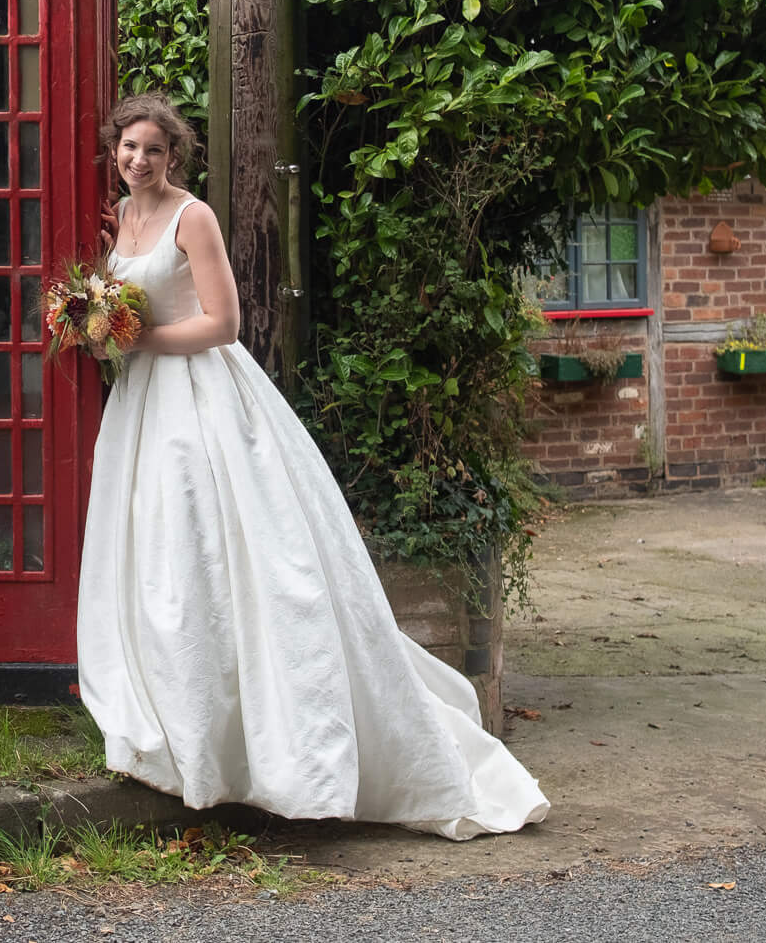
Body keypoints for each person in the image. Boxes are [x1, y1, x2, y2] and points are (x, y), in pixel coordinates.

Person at [75, 93, 549, 838]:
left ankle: (274, 745)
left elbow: (223, 322)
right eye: (129, 147)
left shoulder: (192, 217)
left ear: (174, 156)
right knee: (160, 556)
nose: (139, 159)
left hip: (201, 403)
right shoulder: (123, 215)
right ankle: (179, 719)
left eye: (154, 149)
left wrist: (139, 342)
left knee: (225, 553)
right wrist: (98, 332)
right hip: (140, 407)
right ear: (116, 150)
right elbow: (125, 312)